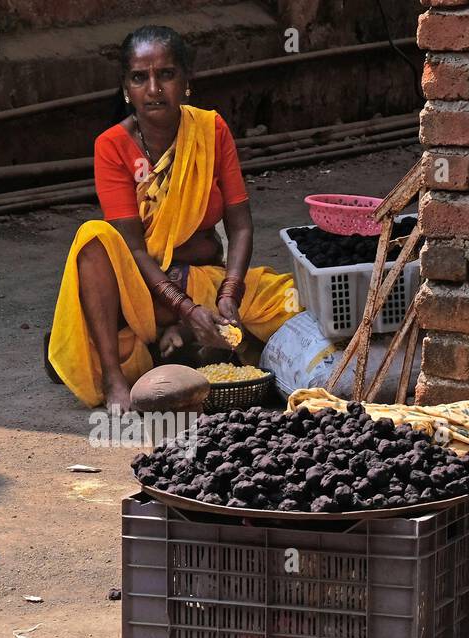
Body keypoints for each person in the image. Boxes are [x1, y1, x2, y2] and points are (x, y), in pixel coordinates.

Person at [47, 25, 300, 411]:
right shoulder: (112, 146)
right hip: (142, 289)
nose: (153, 88)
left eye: (166, 74)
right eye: (139, 77)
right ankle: (117, 375)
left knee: (290, 301)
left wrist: (230, 291)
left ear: (186, 82)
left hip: (205, 283)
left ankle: (177, 338)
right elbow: (131, 247)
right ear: (126, 88)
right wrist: (185, 309)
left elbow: (240, 223)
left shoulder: (211, 130)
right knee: (93, 238)